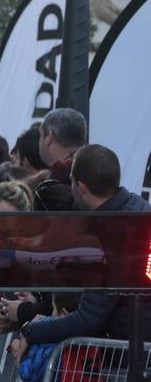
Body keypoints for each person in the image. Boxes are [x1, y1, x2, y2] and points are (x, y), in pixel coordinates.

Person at [10, 145, 151, 361]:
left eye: (71, 180)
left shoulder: (110, 234)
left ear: (81, 187)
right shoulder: (136, 207)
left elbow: (88, 318)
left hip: (132, 357)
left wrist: (32, 331)